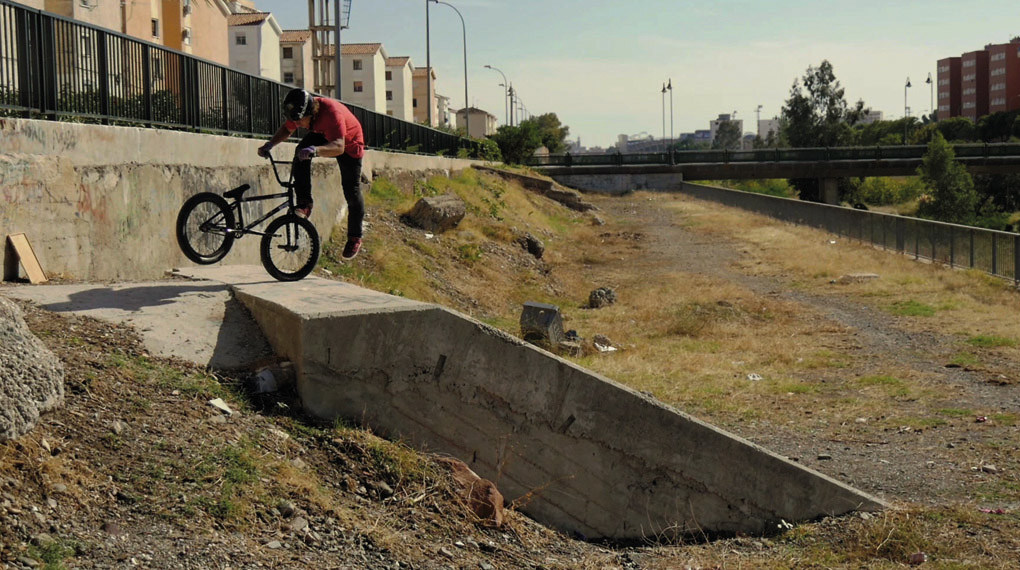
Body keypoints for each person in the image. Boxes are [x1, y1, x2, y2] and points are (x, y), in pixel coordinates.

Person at [257, 88, 366, 260]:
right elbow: (287, 130)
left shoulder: (332, 113)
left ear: (312, 113)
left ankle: (355, 237)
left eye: (300, 121)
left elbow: (339, 147)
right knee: (300, 152)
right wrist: (270, 144)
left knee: (351, 191)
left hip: (349, 144)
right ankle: (305, 203)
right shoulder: (302, 111)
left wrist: (315, 150)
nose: (298, 125)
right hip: (324, 134)